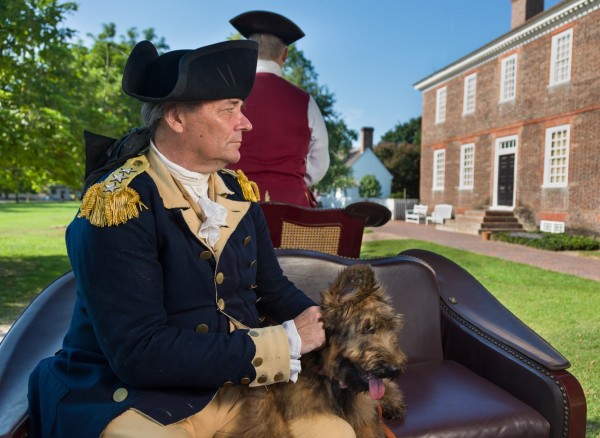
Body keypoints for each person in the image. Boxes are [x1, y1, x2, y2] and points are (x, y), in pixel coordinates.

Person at [27, 40, 355, 437]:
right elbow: (139, 352)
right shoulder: (119, 203)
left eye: (242, 109)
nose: (245, 123)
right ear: (177, 118)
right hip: (135, 393)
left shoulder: (238, 192)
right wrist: (284, 343)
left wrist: (336, 335)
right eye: (229, 109)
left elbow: (273, 289)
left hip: (236, 383)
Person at [227, 10, 329, 207]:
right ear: (285, 54)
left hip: (233, 206)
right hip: (292, 210)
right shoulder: (306, 102)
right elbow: (320, 164)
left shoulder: (226, 97)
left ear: (248, 52)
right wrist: (291, 182)